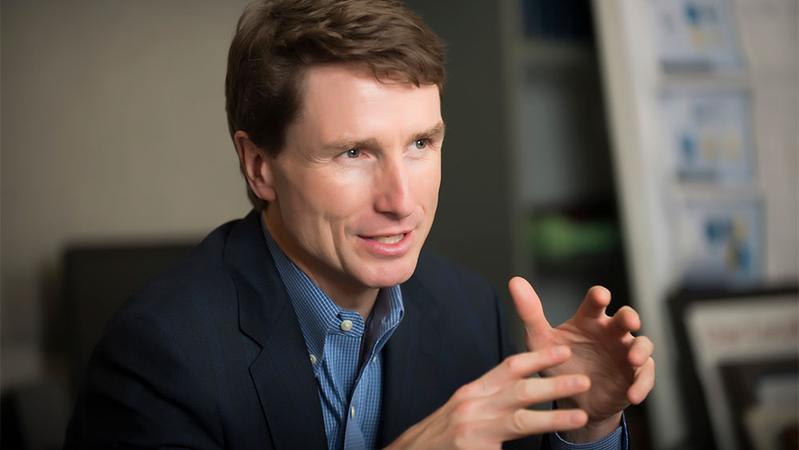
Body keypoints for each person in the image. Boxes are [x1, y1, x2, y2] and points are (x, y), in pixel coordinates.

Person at [64, 0, 655, 449]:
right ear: (260, 166)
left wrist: (587, 426)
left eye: (421, 143)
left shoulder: (470, 311)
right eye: (354, 153)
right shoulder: (158, 355)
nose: (402, 201)